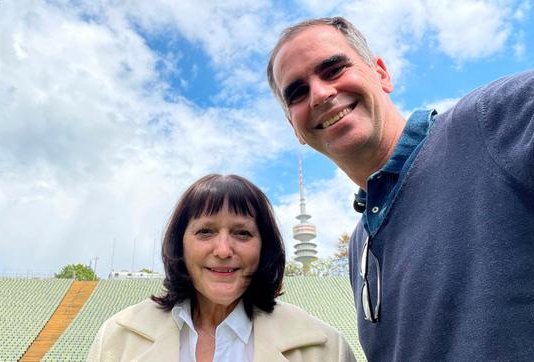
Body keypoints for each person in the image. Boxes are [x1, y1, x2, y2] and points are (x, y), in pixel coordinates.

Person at [267, 16, 534, 361]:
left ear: (381, 73)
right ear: (295, 129)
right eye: (298, 93)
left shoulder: (494, 120)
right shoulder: (360, 244)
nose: (320, 94)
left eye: (333, 70)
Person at [87, 174, 356, 361]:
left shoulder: (325, 349)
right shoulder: (117, 338)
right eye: (205, 232)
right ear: (179, 244)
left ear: (265, 247)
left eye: (242, 233)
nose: (224, 250)